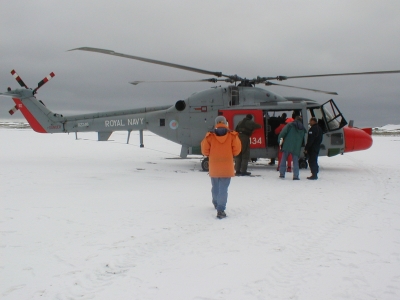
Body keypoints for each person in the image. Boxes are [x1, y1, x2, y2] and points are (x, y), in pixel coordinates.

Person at [201, 116, 241, 219]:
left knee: (215, 187)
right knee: (223, 189)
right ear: (226, 123)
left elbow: (205, 151)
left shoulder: (209, 136)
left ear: (215, 123)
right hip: (227, 166)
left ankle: (215, 202)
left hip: (214, 166)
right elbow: (237, 150)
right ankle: (221, 209)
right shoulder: (232, 136)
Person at [277, 115, 307, 180]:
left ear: (295, 119)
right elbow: (303, 139)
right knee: (295, 161)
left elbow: (282, 133)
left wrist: (280, 141)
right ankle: (296, 176)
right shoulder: (303, 128)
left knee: (283, 159)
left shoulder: (290, 125)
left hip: (287, 144)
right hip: (296, 146)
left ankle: (282, 174)